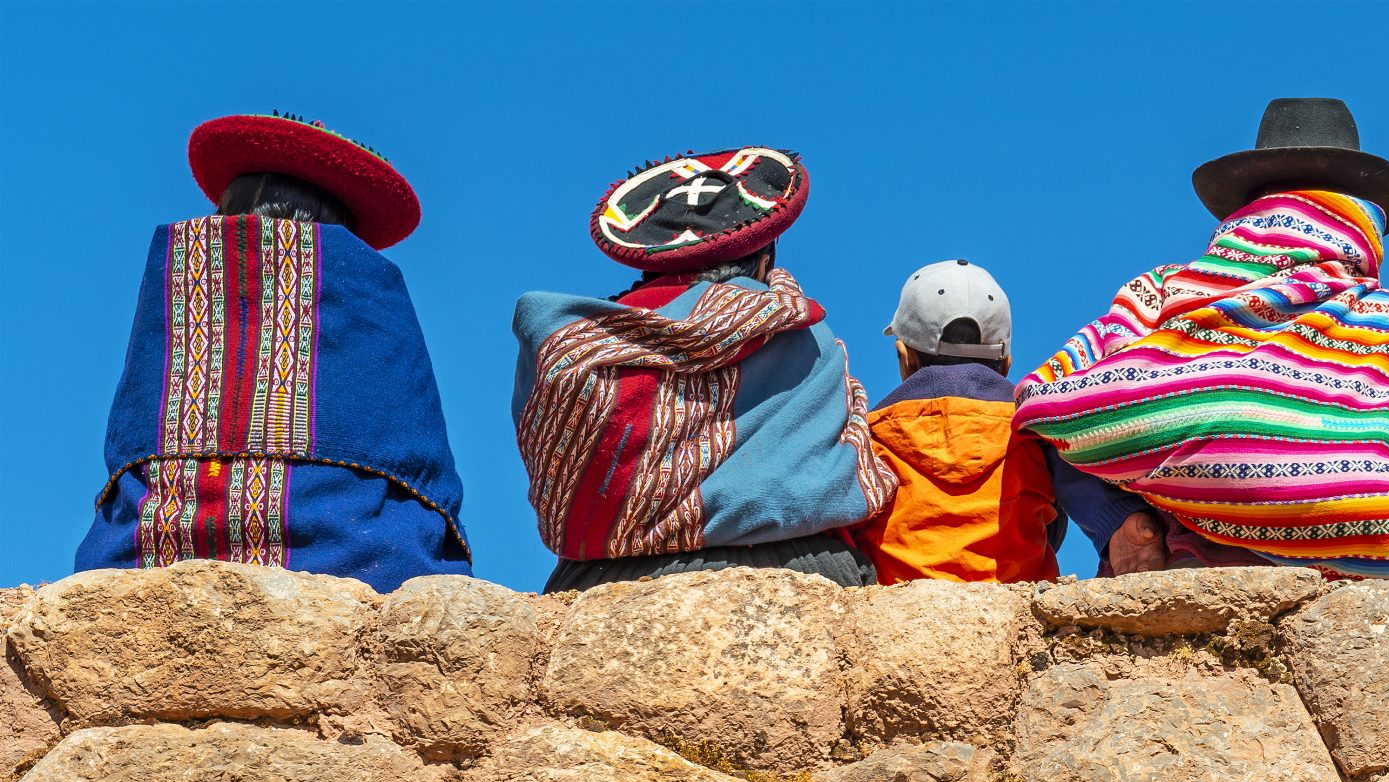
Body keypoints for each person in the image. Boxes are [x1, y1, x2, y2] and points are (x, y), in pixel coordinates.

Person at [1014, 97, 1389, 581]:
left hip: (1188, 566)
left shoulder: (1163, 292)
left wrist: (1114, 521)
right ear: (1361, 219)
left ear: (1248, 212)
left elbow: (1049, 400)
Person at [77, 112, 471, 592]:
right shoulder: (374, 297)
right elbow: (413, 454)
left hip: (147, 551)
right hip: (359, 552)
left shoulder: (179, 276)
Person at [513, 146, 896, 592]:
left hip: (601, 580)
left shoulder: (566, 346)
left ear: (649, 257)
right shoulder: (804, 335)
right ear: (765, 257)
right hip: (797, 570)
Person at [854, 259, 1063, 583]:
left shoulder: (868, 435)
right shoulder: (1035, 431)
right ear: (1006, 364)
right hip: (1011, 594)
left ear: (904, 356)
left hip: (898, 599)